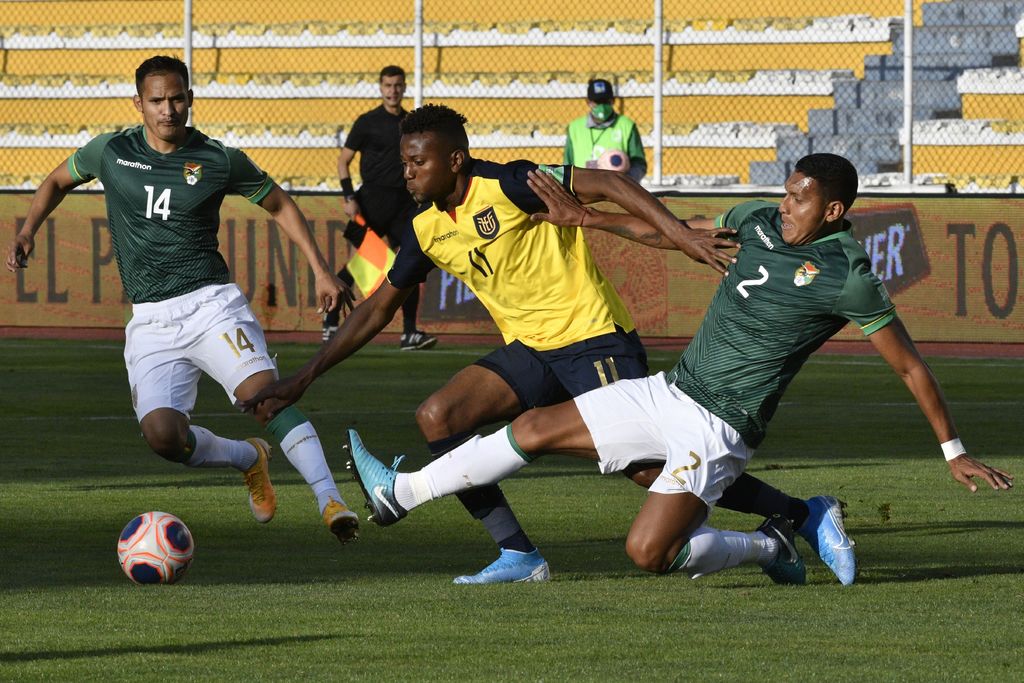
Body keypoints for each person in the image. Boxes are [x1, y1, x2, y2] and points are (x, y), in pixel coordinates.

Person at [243, 104, 859, 585]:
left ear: (455, 160)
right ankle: (517, 551)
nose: (406, 173)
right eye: (403, 162)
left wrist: (676, 231)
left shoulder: (511, 183)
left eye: (417, 162)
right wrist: (305, 378)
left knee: (647, 471)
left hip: (594, 341)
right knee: (440, 414)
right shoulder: (425, 227)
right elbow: (379, 307)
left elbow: (608, 183)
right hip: (530, 352)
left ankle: (800, 514)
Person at [345, 153, 1013, 584]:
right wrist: (586, 219)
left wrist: (953, 450)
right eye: (785, 192)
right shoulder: (753, 222)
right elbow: (672, 233)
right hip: (669, 391)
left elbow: (911, 367)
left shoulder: (846, 277)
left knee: (648, 553)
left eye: (799, 198)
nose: (784, 205)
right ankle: (402, 494)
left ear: (833, 211)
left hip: (720, 427)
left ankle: (775, 540)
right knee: (537, 426)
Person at [4, 55, 362, 545]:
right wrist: (27, 230)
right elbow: (56, 181)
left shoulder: (219, 159)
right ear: (139, 104)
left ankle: (329, 499)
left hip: (211, 304)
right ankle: (247, 457)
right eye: (156, 101)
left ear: (190, 99)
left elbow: (278, 203)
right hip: (151, 320)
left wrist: (322, 271)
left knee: (265, 396)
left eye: (176, 99)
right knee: (163, 438)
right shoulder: (110, 151)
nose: (168, 110)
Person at [322, 64, 437, 351]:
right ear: (380, 88)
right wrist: (349, 197)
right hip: (372, 201)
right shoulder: (366, 122)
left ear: (404, 87)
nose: (393, 91)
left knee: (410, 262)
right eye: (387, 85)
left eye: (397, 85)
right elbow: (342, 161)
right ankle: (331, 320)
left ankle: (409, 333)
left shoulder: (411, 123)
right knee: (363, 264)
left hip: (403, 204)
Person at [564, 78, 646, 182]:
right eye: (597, 102)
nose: (601, 107)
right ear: (588, 102)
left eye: (605, 102)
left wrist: (625, 182)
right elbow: (567, 165)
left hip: (616, 192)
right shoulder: (574, 128)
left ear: (613, 101)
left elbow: (639, 164)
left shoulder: (627, 126)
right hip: (584, 192)